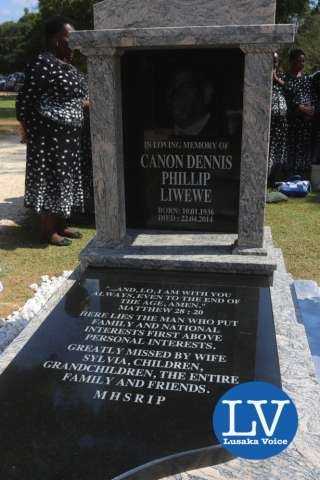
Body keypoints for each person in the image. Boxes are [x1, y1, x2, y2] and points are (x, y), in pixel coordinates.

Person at [16, 16, 88, 246]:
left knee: (66, 180)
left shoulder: (69, 65)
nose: (74, 43)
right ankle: (47, 231)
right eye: (70, 38)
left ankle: (61, 225)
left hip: (69, 138)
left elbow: (77, 98)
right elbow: (25, 100)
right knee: (51, 180)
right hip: (48, 139)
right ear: (57, 40)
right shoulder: (43, 63)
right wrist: (27, 129)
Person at [284, 48, 315, 177]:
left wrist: (310, 110)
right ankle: (289, 174)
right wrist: (302, 109)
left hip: (306, 122)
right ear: (292, 61)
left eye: (303, 61)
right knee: (292, 148)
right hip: (292, 121)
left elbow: (310, 96)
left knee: (304, 148)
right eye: (299, 61)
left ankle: (303, 175)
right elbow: (290, 100)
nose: (302, 64)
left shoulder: (307, 78)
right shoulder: (286, 79)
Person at [269, 52, 288, 183]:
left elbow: (288, 88)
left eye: (276, 60)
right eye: (272, 59)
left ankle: (275, 177)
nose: (274, 62)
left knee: (279, 147)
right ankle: (266, 177)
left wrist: (275, 78)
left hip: (281, 119)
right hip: (268, 118)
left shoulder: (281, 74)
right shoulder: (261, 71)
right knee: (268, 147)